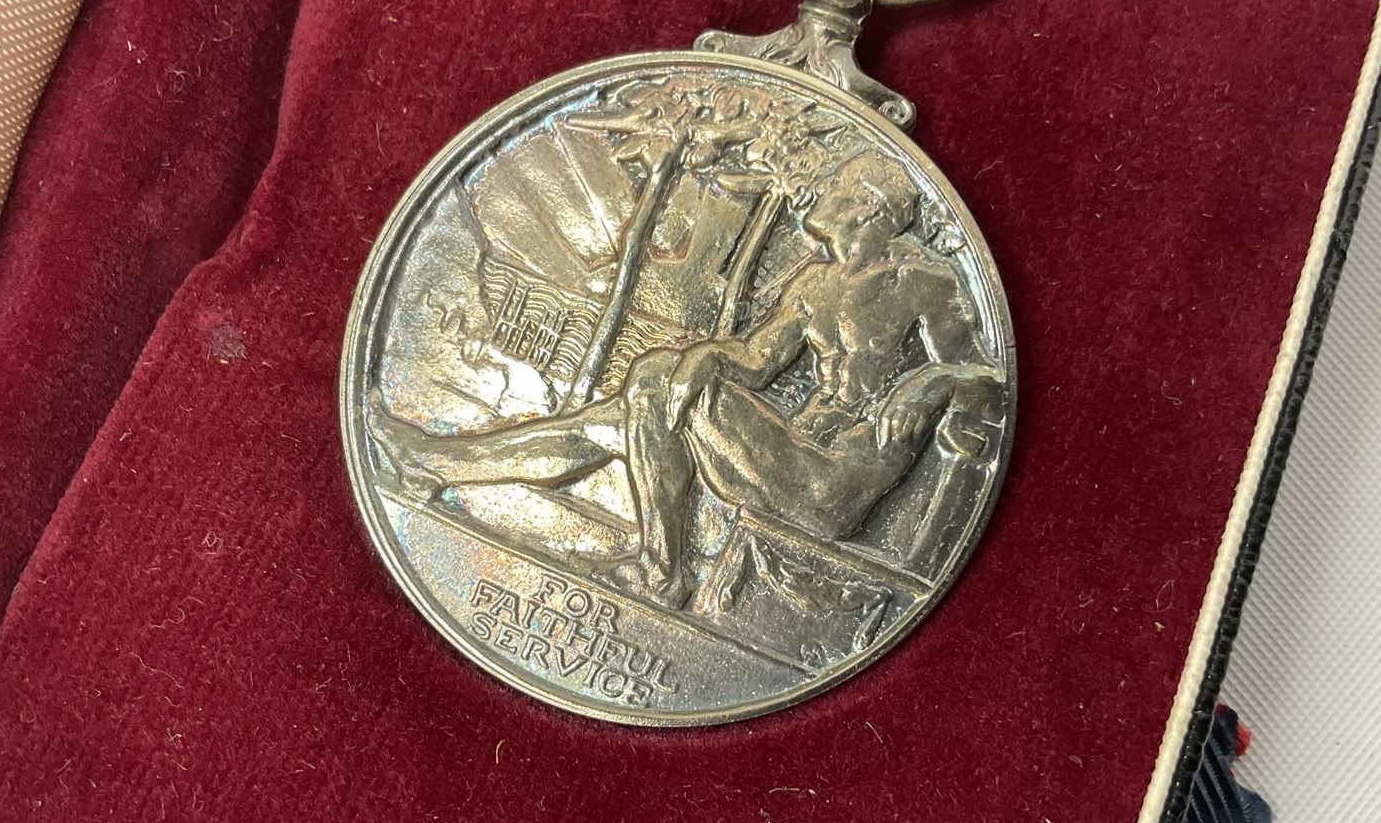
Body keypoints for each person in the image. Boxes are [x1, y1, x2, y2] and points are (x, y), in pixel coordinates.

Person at [368, 149, 1005, 607]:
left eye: (836, 186)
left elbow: (987, 376)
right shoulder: (814, 282)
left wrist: (937, 381)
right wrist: (708, 357)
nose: (821, 192)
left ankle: (661, 570)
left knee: (650, 382)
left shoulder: (925, 279)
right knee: (625, 410)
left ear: (866, 206)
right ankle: (434, 465)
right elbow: (755, 359)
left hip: (832, 484)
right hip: (787, 454)